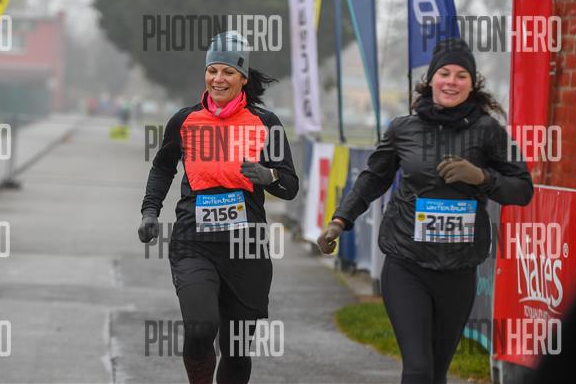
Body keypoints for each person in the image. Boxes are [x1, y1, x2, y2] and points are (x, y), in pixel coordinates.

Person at [318, 38, 533, 384]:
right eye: (444, 73)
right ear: (431, 79)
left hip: (459, 270)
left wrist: (482, 177)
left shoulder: (488, 131)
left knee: (435, 373)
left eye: (461, 75)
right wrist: (340, 220)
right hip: (407, 263)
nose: (451, 82)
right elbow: (372, 179)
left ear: (472, 84)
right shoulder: (404, 128)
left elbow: (522, 190)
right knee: (418, 369)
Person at [139, 31, 298, 384]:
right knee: (200, 327)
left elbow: (290, 185)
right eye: (212, 70)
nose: (218, 79)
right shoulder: (185, 121)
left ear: (243, 77)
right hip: (194, 242)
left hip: (246, 250)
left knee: (236, 349)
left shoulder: (265, 123)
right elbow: (162, 168)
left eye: (228, 71)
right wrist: (150, 211)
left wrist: (268, 175)